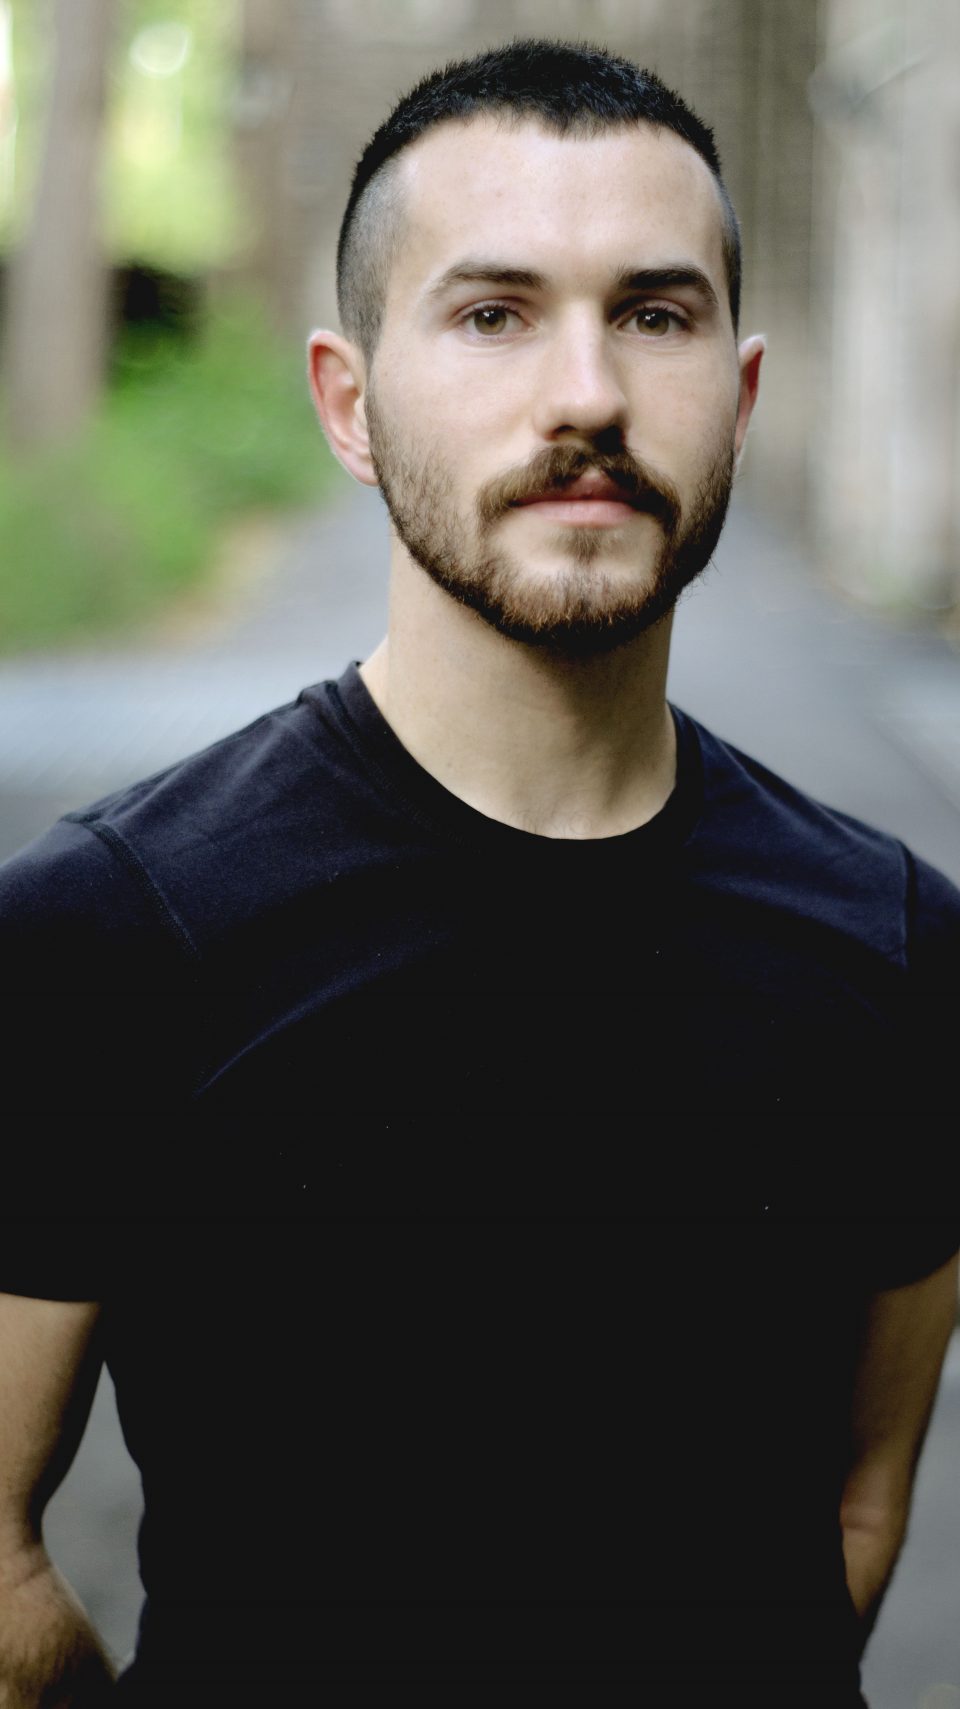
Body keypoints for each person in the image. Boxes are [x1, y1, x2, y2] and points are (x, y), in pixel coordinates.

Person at [0, 36, 958, 1709]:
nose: (585, 394)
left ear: (736, 397)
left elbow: (860, 1506)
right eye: (495, 313)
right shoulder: (106, 929)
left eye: (653, 313)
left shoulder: (899, 946)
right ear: (350, 403)